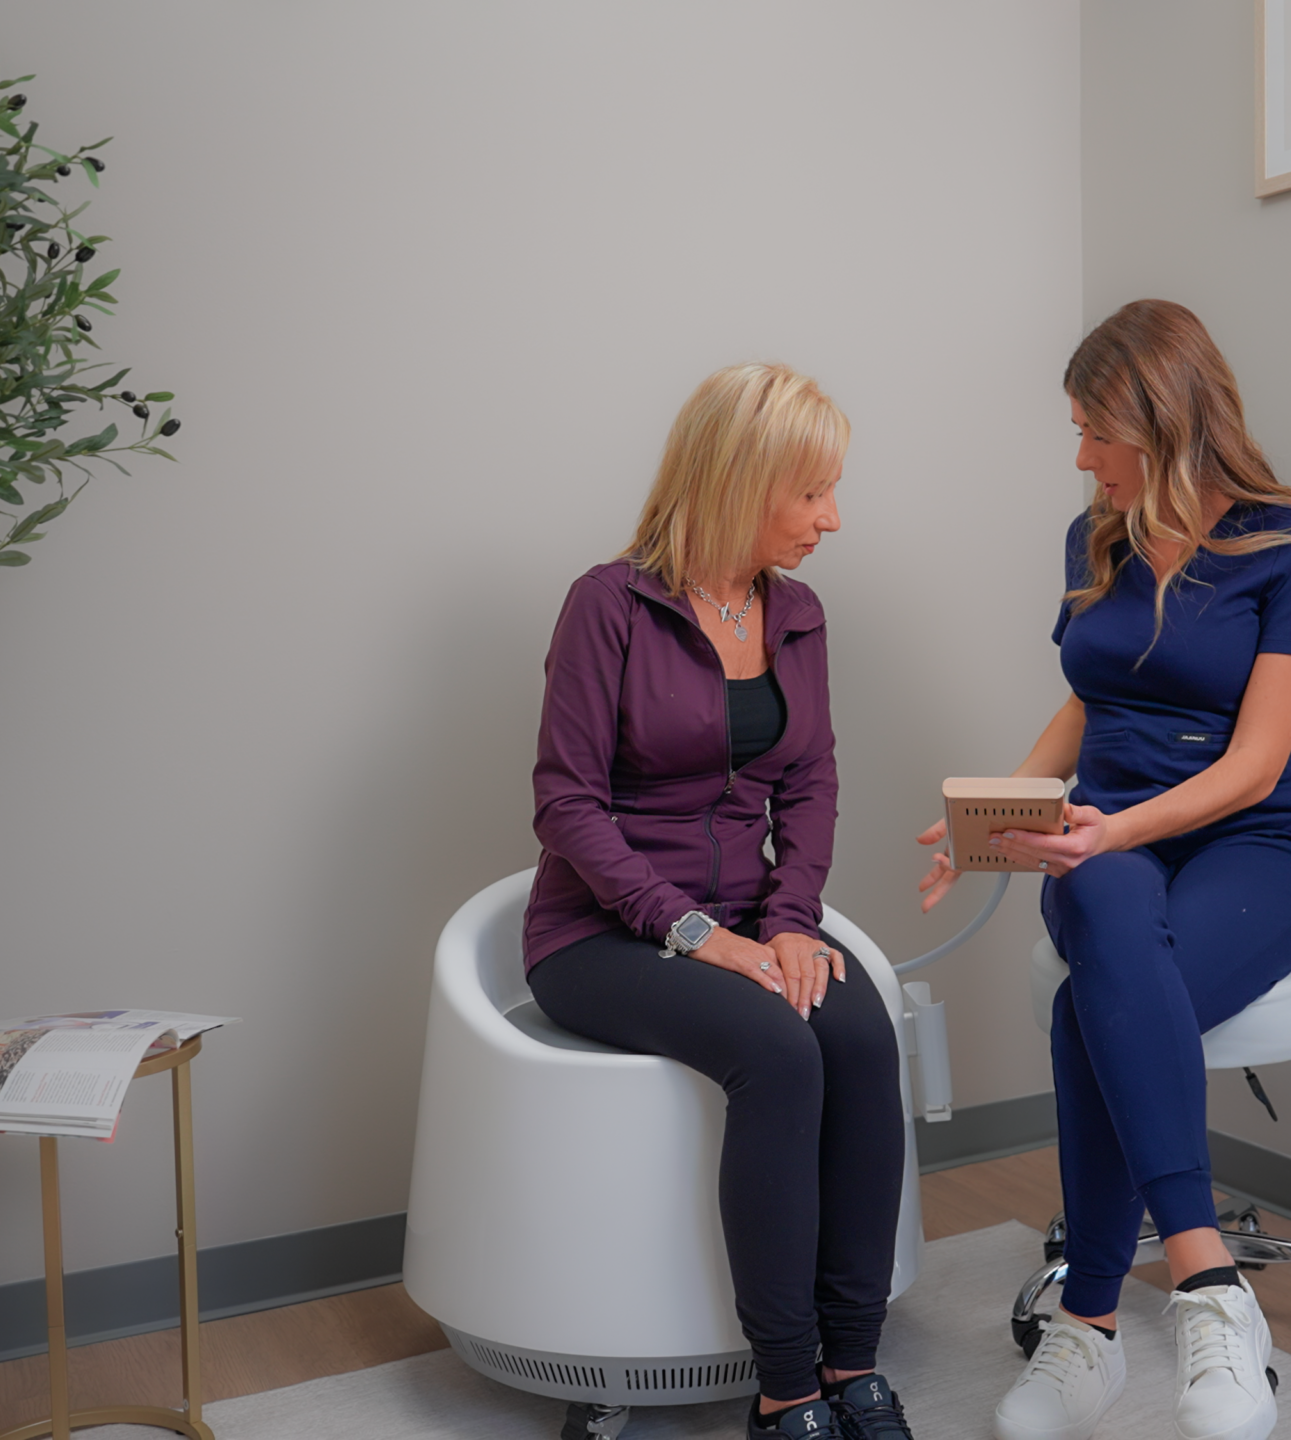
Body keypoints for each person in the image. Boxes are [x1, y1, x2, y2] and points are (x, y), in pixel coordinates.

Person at [918, 301, 1291, 1440]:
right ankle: (1211, 1290)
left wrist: (1113, 830)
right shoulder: (1095, 536)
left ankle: (1094, 1322)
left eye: (1094, 431)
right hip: (1106, 843)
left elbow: (1256, 766)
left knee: (1092, 1008)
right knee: (1105, 918)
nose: (1080, 457)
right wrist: (990, 812)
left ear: (1163, 421)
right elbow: (1087, 701)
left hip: (1260, 848)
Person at [525, 363, 916, 1440]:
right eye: (812, 493)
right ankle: (785, 1389)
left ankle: (853, 1363)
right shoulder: (608, 604)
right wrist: (695, 934)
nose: (832, 519)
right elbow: (566, 803)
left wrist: (788, 921)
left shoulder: (797, 613)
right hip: (600, 935)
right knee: (779, 1051)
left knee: (861, 1037)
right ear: (741, 481)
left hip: (749, 921)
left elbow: (811, 782)